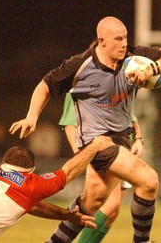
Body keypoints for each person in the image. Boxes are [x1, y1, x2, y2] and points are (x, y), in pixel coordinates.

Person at [10, 16, 161, 242]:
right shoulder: (80, 65)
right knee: (148, 180)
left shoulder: (133, 57)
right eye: (118, 39)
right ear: (101, 42)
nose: (124, 43)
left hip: (120, 138)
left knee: (92, 202)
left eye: (125, 38)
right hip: (96, 142)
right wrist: (31, 117)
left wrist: (152, 68)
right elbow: (46, 85)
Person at [59, 92, 144, 242]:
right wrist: (81, 154)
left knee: (112, 211)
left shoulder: (118, 79)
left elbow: (130, 112)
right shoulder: (78, 84)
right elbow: (70, 123)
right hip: (103, 150)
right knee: (107, 206)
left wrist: (138, 138)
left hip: (125, 148)